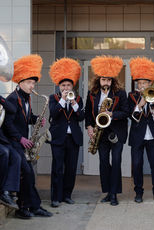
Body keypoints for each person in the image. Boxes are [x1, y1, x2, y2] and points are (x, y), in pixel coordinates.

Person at [3, 54, 52, 219]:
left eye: (33, 83)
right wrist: (20, 138)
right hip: (13, 143)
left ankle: (29, 207)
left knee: (28, 175)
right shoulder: (12, 98)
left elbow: (26, 117)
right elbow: (7, 124)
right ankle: (26, 207)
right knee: (27, 173)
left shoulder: (27, 98)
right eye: (29, 83)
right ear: (21, 82)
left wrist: (36, 118)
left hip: (20, 143)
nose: (32, 86)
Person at [85, 55, 129, 206]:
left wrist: (112, 114)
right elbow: (87, 112)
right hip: (100, 133)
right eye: (104, 79)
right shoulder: (92, 94)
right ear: (99, 79)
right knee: (103, 162)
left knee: (116, 161)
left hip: (116, 132)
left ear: (113, 80)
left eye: (109, 80)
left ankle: (114, 194)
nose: (106, 82)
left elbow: (126, 112)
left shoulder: (120, 93)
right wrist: (89, 127)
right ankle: (108, 192)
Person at [128, 57, 154, 203]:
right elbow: (131, 116)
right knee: (137, 165)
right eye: (139, 83)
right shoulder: (131, 96)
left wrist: (153, 101)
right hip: (137, 135)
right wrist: (141, 103)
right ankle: (138, 192)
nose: (142, 85)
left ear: (150, 83)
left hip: (153, 135)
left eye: (144, 83)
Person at [48, 58, 84, 208]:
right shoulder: (53, 98)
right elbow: (53, 114)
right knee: (57, 168)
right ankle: (55, 197)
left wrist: (74, 103)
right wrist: (62, 101)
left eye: (68, 85)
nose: (66, 88)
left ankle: (67, 195)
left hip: (73, 138)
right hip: (58, 138)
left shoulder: (79, 99)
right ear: (59, 86)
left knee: (70, 168)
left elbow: (81, 117)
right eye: (63, 85)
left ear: (72, 86)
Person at [0, 95, 21, 210]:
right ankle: (2, 190)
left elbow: (12, 108)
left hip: (1, 139)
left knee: (16, 157)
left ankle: (7, 191)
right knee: (4, 153)